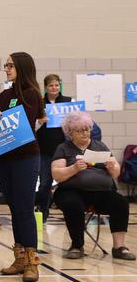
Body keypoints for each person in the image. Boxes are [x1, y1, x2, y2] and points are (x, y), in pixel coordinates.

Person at [0, 52, 45, 282]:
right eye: (5, 65)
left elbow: (22, 121)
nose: (7, 69)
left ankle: (32, 262)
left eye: (11, 65)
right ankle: (19, 258)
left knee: (24, 208)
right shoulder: (4, 94)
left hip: (26, 158)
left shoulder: (32, 94)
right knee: (13, 208)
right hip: (4, 158)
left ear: (22, 67)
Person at [52, 111, 135, 260]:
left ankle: (119, 247)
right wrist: (74, 168)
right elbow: (56, 174)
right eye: (80, 130)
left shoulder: (100, 146)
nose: (85, 133)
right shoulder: (63, 148)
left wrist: (112, 167)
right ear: (70, 133)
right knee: (72, 204)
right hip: (71, 191)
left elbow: (116, 173)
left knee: (121, 203)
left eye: (87, 129)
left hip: (101, 192)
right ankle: (77, 245)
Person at [35, 74, 71, 222]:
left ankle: (70, 212)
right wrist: (40, 122)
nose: (54, 88)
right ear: (45, 87)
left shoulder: (68, 102)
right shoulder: (39, 103)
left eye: (56, 85)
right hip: (44, 150)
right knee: (44, 184)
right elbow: (33, 127)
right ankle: (43, 212)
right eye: (51, 85)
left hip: (64, 151)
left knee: (68, 183)